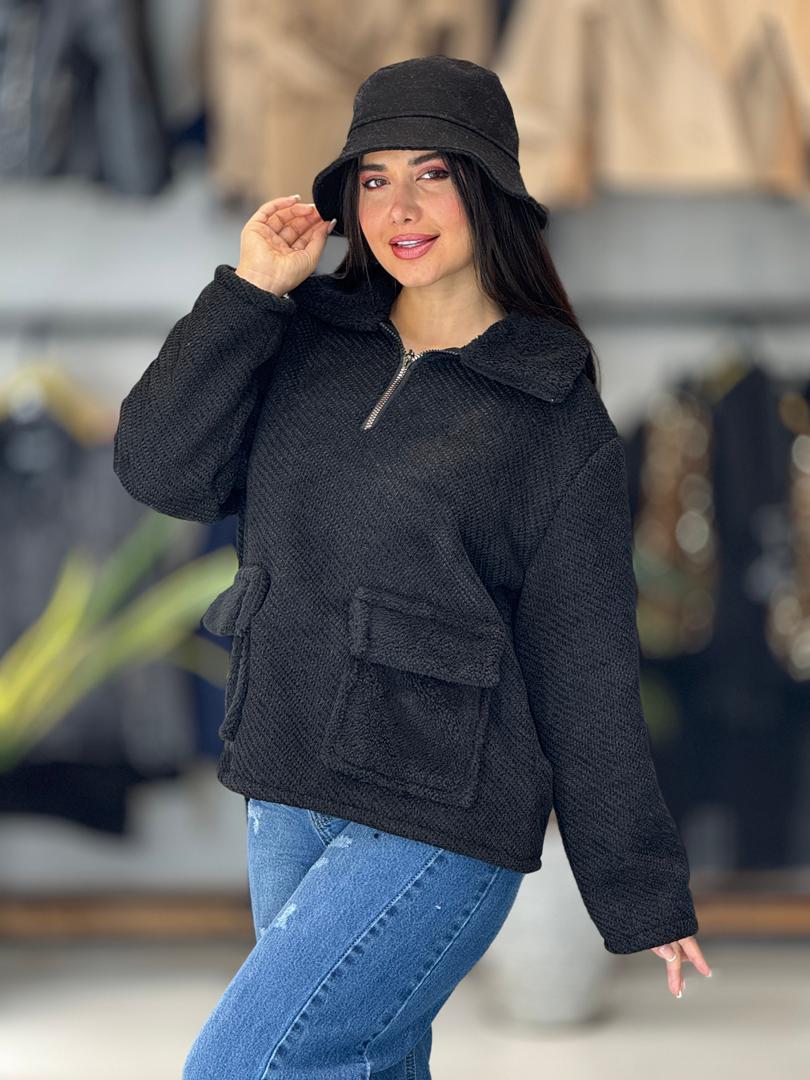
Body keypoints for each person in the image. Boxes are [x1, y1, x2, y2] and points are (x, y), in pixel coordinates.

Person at [113, 55, 712, 1080]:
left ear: (487, 188)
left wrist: (641, 891)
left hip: (442, 811)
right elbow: (159, 468)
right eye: (375, 178)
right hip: (286, 779)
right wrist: (249, 294)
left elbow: (584, 667)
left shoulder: (553, 414)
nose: (401, 207)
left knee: (240, 1066)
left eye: (432, 173)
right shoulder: (298, 337)